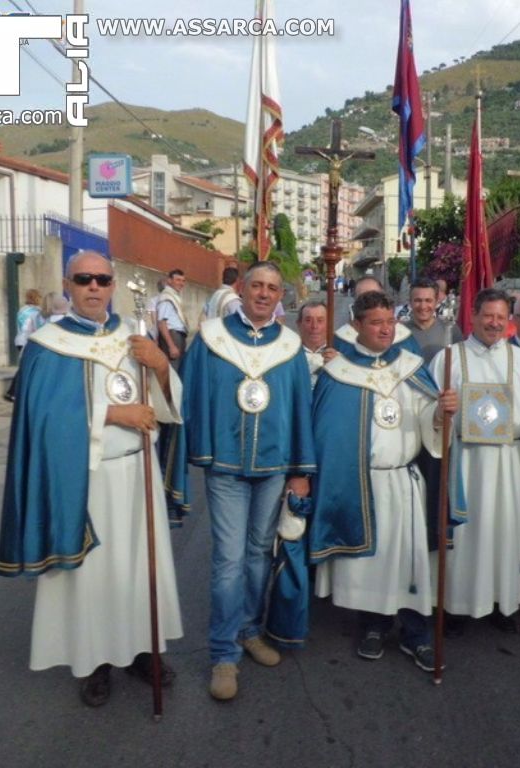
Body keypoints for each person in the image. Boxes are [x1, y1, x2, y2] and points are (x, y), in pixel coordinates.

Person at [0, 251, 184, 707]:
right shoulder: (48, 344)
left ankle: (143, 650)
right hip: (85, 479)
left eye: (101, 279)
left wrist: (159, 365)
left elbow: (170, 404)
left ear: (113, 283)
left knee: (140, 569)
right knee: (93, 577)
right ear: (68, 284)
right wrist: (113, 414)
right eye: (84, 279)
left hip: (136, 473)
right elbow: (41, 419)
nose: (94, 287)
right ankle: (95, 661)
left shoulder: (131, 335)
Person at [177, 261, 316, 701]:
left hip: (273, 468)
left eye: (272, 288)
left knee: (259, 554)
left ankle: (249, 629)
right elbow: (191, 392)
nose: (264, 293)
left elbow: (299, 410)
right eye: (256, 285)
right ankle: (223, 654)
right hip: (227, 467)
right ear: (242, 288)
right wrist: (198, 447)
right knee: (229, 559)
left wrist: (299, 470)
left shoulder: (291, 346)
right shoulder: (213, 339)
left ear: (280, 297)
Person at [311, 291, 457, 673]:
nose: (386, 329)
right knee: (371, 562)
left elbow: (429, 424)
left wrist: (440, 414)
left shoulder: (410, 366)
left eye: (390, 322)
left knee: (409, 559)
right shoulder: (338, 373)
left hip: (405, 480)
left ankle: (415, 633)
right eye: (377, 323)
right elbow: (328, 434)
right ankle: (372, 626)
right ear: (357, 326)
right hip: (363, 482)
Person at [430, 287, 520, 632]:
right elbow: (428, 409)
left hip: (507, 463)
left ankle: (505, 602)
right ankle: (457, 605)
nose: (495, 323)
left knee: (505, 531)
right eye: (489, 316)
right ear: (473, 316)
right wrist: (441, 411)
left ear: (509, 321)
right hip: (464, 464)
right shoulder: (449, 357)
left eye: (502, 317)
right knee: (466, 536)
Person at [333, 275, 421, 358]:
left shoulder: (403, 337)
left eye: (375, 296)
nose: (371, 303)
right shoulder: (341, 339)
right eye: (364, 298)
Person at [403, 276, 463, 365]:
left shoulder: (451, 330)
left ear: (436, 302)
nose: (423, 306)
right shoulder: (400, 332)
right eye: (418, 300)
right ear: (410, 302)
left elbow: (460, 364)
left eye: (428, 300)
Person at [297, 300, 336, 388]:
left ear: (329, 324)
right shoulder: (289, 356)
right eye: (308, 320)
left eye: (320, 320)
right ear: (299, 324)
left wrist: (337, 367)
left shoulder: (340, 358)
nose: (314, 326)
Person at [157, 269, 189, 370]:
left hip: (178, 336)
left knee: (178, 370)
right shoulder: (167, 298)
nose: (181, 283)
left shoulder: (173, 296)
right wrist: (171, 346)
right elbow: (162, 322)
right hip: (173, 336)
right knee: (173, 372)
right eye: (178, 280)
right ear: (169, 281)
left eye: (183, 281)